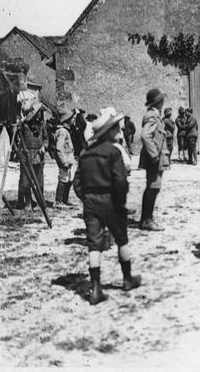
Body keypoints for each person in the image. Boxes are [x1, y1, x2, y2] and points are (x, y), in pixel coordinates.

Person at [73, 110, 141, 305]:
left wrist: (86, 199)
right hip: (111, 200)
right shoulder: (113, 151)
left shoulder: (85, 153)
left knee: (94, 245)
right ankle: (127, 280)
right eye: (113, 129)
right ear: (107, 132)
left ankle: (95, 289)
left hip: (91, 203)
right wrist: (120, 202)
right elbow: (120, 181)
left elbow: (77, 182)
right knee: (121, 240)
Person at [138, 88, 170, 231]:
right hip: (155, 158)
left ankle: (146, 219)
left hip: (156, 156)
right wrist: (154, 154)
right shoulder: (152, 116)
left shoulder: (155, 115)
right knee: (153, 187)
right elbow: (145, 135)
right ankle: (147, 220)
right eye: (162, 100)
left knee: (153, 187)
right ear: (159, 102)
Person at [17, 103, 48, 209]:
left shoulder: (42, 125)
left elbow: (46, 138)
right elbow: (16, 133)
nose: (39, 115)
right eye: (37, 113)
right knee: (26, 181)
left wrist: (44, 146)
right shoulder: (24, 125)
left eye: (39, 113)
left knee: (39, 182)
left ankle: (40, 203)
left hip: (39, 156)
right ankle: (28, 203)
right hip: (27, 155)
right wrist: (21, 120)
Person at [53, 107, 77, 207]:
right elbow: (59, 148)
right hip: (65, 160)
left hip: (69, 158)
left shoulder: (66, 131)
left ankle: (64, 199)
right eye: (72, 118)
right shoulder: (62, 131)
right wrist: (64, 162)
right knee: (63, 178)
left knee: (69, 179)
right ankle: (58, 201)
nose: (73, 120)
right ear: (67, 120)